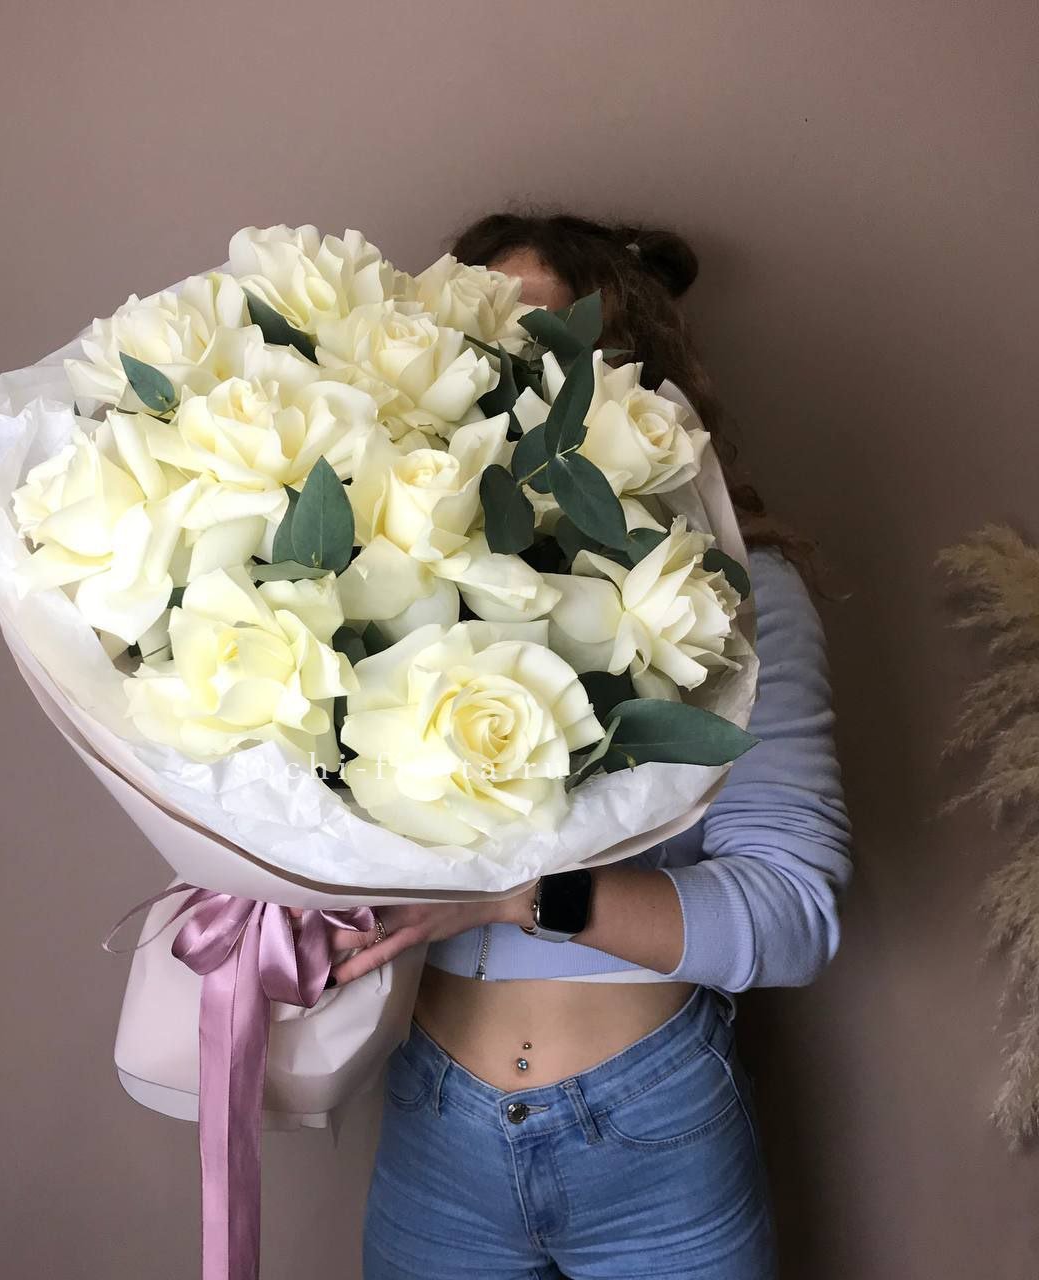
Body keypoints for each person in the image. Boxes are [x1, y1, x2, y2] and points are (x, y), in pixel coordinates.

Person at [325, 210, 852, 1279]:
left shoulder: (735, 599)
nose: (517, 377)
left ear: (630, 375)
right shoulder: (371, 588)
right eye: (483, 341)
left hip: (654, 1129)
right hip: (432, 1131)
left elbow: (794, 910)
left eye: (551, 345)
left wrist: (512, 897)